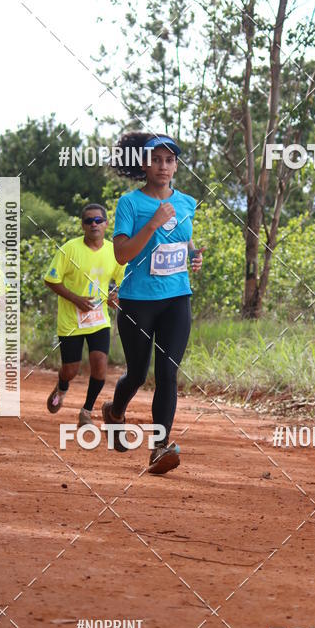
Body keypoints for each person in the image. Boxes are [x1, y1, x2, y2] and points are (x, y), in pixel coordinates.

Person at [102, 132, 203, 476]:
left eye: (169, 160)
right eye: (156, 160)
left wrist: (194, 255)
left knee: (168, 373)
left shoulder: (187, 201)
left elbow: (184, 239)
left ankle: (160, 448)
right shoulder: (130, 203)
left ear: (176, 165)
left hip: (177, 297)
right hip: (137, 301)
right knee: (137, 374)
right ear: (144, 165)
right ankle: (115, 413)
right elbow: (122, 253)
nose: (163, 166)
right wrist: (152, 223)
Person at [44, 204, 126, 426]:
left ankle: (86, 412)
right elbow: (51, 279)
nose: (94, 224)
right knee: (71, 369)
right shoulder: (69, 249)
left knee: (100, 366)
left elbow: (122, 280)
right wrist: (75, 299)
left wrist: (114, 295)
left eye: (98, 220)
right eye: (89, 221)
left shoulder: (113, 251)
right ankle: (62, 385)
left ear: (106, 224)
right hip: (71, 320)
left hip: (99, 320)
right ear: (82, 225)